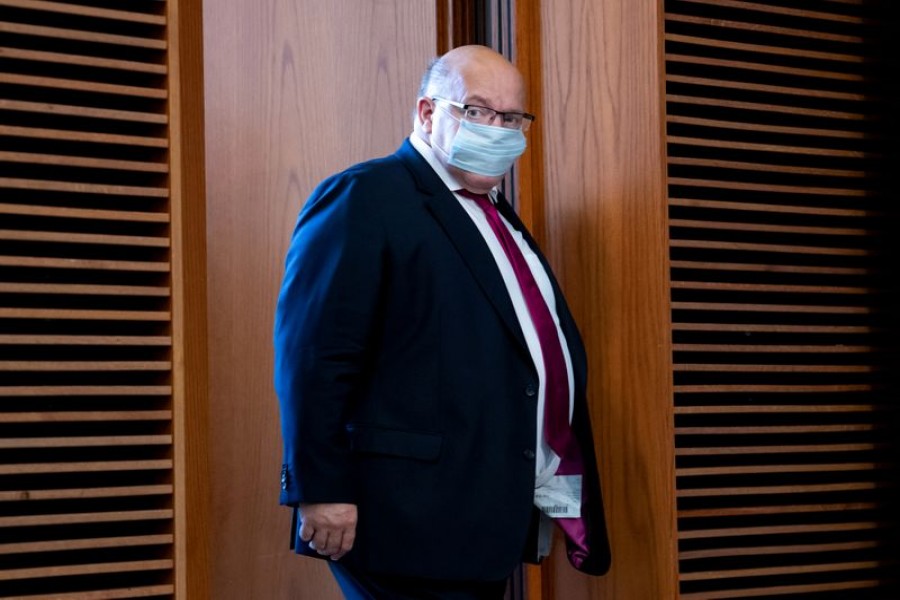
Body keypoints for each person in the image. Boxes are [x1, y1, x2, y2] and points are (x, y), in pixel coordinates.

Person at [274, 44, 610, 599]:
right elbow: (312, 356)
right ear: (429, 113)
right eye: (477, 111)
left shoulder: (495, 214)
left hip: (480, 514)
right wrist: (319, 487)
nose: (496, 128)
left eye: (510, 117)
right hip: (404, 516)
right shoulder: (366, 195)